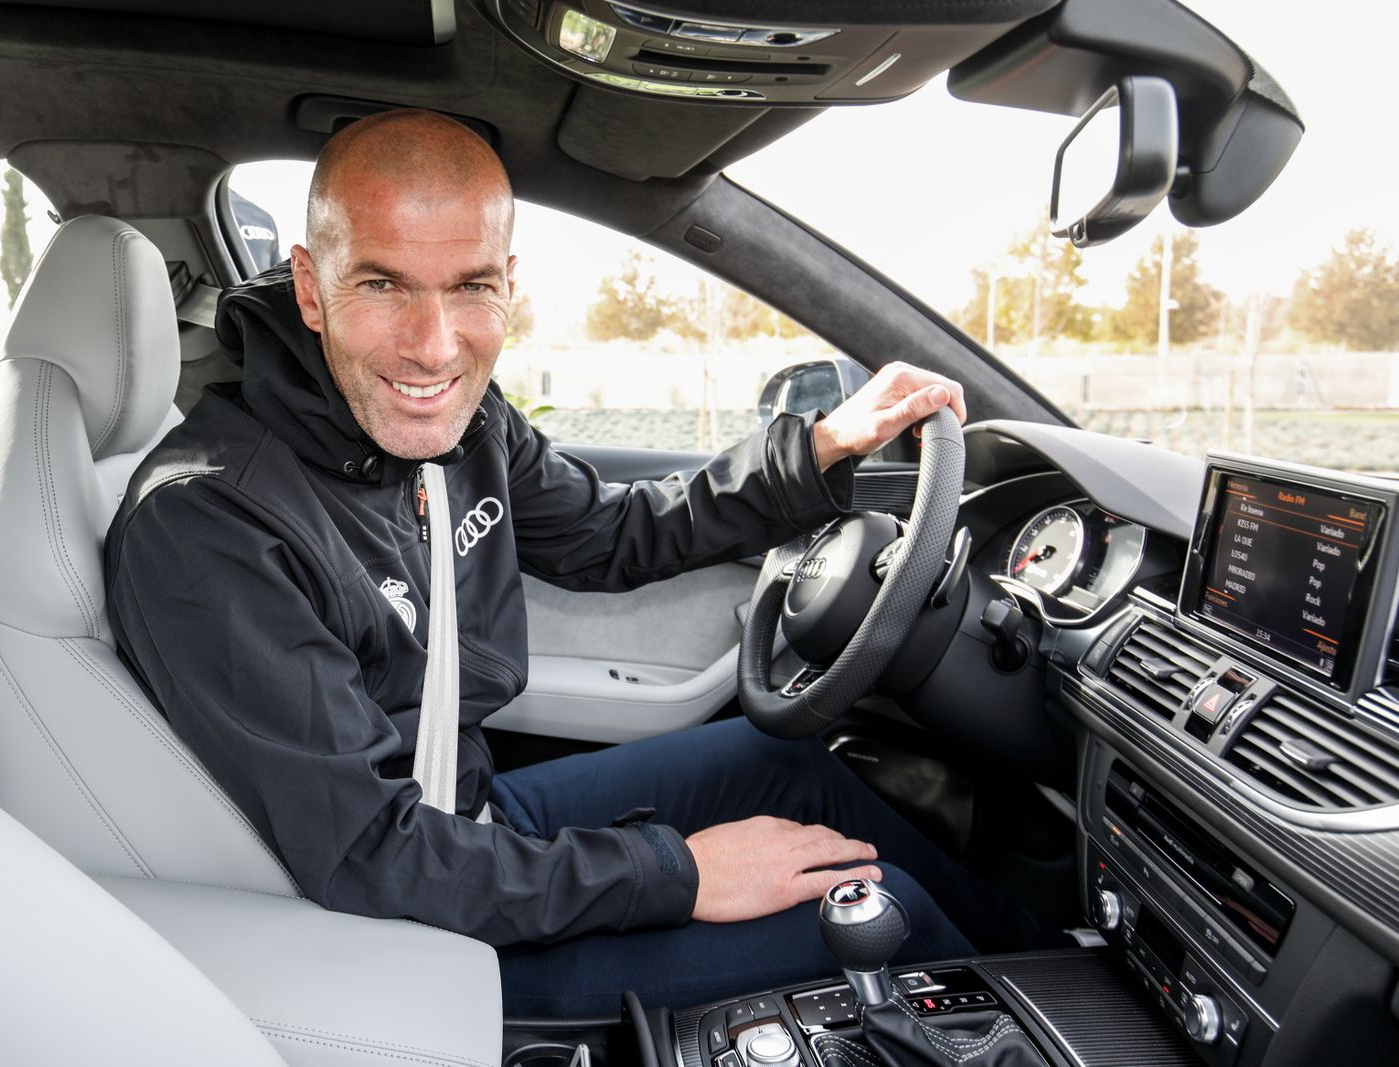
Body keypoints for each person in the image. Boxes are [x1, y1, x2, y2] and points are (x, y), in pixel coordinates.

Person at [105, 109, 1046, 1017]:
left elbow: (613, 532)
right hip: (402, 934)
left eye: (470, 286)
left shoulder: (459, 422)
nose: (433, 346)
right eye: (383, 285)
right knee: (884, 913)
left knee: (793, 764)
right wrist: (683, 873)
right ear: (311, 290)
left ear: (507, 283)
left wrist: (821, 447)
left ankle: (1056, 969)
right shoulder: (212, 524)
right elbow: (369, 858)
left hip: (467, 820)